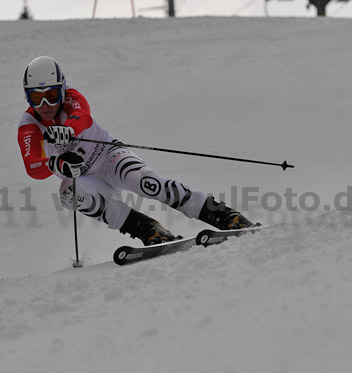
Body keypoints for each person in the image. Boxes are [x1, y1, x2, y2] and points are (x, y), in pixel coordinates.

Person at [17, 56, 253, 246]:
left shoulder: (72, 99)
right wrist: (55, 164)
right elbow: (32, 167)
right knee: (68, 193)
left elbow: (83, 118)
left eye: (51, 96)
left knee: (147, 183)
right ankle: (148, 230)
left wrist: (67, 130)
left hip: (108, 157)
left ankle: (223, 215)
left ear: (63, 90)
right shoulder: (29, 126)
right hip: (86, 179)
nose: (45, 106)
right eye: (36, 98)